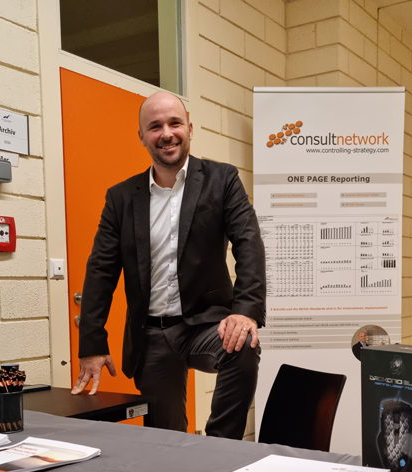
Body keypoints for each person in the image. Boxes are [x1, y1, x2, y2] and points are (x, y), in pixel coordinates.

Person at [71, 91, 267, 439]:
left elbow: (248, 244)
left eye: (175, 123)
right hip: (151, 334)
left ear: (190, 127)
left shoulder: (222, 180)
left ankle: (220, 448)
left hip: (206, 324)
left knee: (242, 346)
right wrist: (93, 344)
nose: (166, 134)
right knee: (166, 440)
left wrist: (245, 312)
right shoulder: (121, 198)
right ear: (142, 136)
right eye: (155, 126)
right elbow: (101, 271)